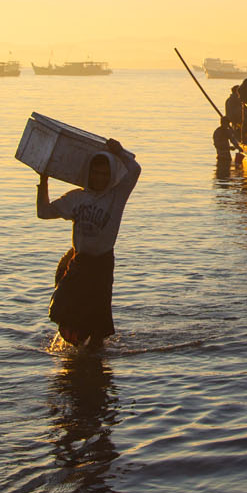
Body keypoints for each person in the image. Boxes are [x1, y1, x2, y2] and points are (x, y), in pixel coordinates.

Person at [37, 137, 142, 348]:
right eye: (95, 173)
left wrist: (120, 151)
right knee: (61, 311)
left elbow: (135, 169)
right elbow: (44, 212)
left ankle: (93, 354)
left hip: (102, 264)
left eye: (104, 174)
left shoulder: (116, 196)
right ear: (88, 173)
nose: (99, 178)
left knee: (97, 326)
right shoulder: (76, 198)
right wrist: (44, 181)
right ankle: (73, 355)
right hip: (79, 262)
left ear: (110, 176)